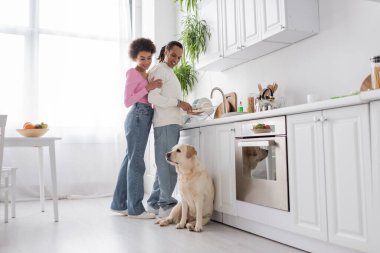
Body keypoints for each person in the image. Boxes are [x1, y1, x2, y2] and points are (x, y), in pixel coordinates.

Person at [110, 38, 162, 219]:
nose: (146, 62)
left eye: (149, 58)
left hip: (144, 115)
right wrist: (148, 88)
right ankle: (135, 209)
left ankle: (119, 204)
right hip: (138, 115)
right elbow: (127, 101)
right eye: (142, 58)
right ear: (135, 57)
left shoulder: (146, 74)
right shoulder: (132, 73)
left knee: (130, 160)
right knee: (136, 162)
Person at [146, 41, 193, 218]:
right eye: (173, 55)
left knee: (163, 167)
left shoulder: (167, 72)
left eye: (179, 58)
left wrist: (182, 107)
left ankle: (154, 203)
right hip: (165, 123)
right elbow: (153, 97)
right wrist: (178, 103)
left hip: (169, 122)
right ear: (165, 51)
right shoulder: (160, 70)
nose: (176, 60)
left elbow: (167, 98)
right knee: (168, 167)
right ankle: (166, 205)